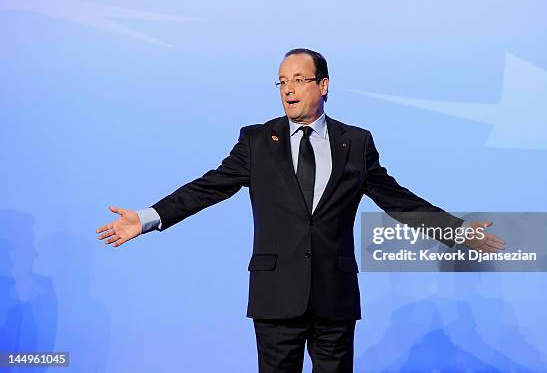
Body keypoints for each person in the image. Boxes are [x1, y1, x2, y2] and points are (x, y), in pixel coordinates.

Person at [96, 48, 504, 372]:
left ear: (323, 85)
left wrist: (457, 231)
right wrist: (149, 218)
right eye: (282, 82)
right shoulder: (257, 141)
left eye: (299, 80)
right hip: (276, 297)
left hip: (334, 295)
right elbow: (208, 188)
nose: (288, 89)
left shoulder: (356, 142)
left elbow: (396, 199)